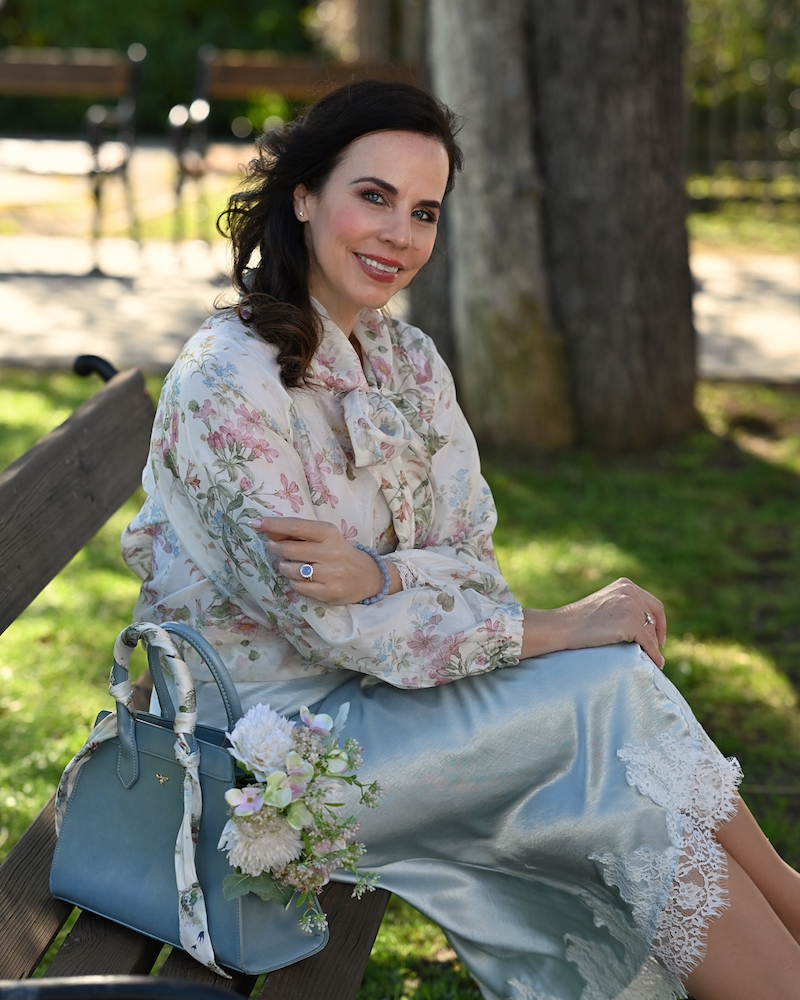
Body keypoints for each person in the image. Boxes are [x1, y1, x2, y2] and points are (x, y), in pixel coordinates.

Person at [121, 81, 800, 1000]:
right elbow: (329, 624)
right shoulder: (226, 383)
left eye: (424, 211)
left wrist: (378, 574)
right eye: (374, 196)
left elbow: (471, 560)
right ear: (304, 196)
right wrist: (548, 625)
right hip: (258, 763)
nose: (399, 234)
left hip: (391, 704)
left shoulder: (407, 361)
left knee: (617, 724)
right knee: (602, 707)